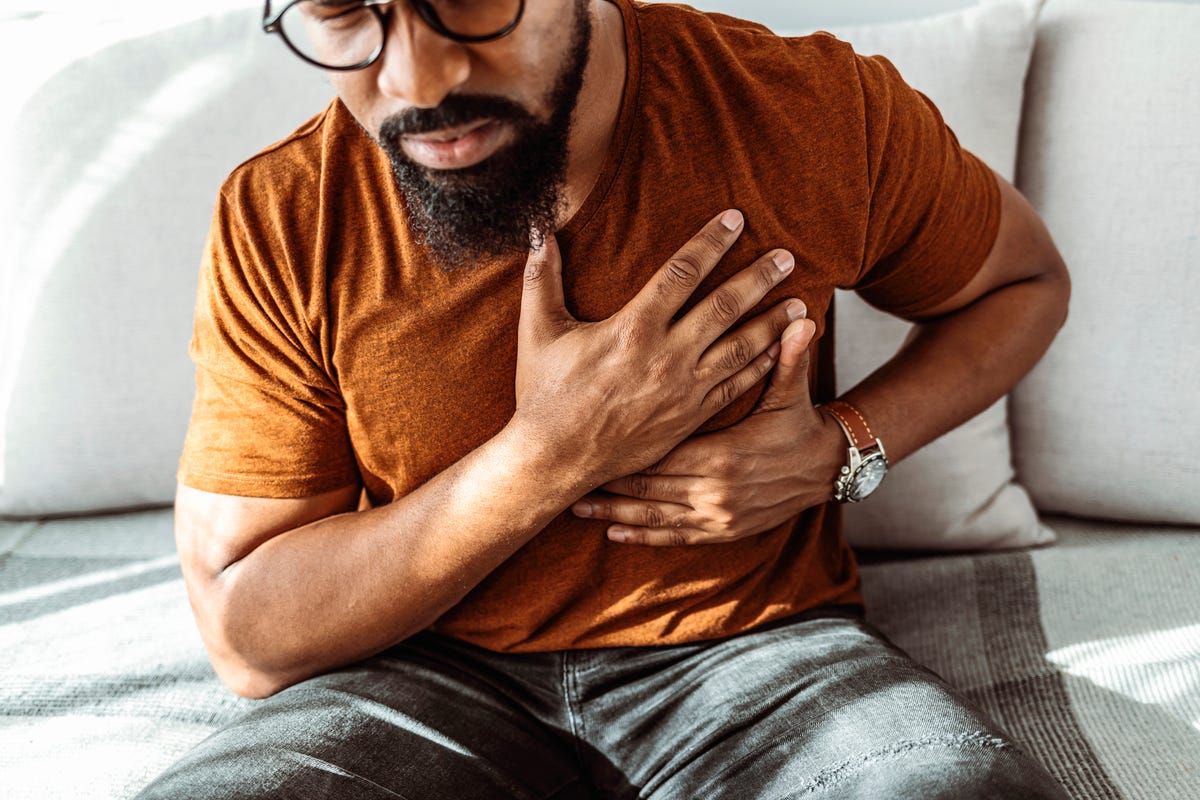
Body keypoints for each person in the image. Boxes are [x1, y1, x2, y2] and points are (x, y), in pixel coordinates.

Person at [139, 0, 1073, 797]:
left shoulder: (810, 110)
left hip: (758, 653)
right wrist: (553, 452)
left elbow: (1022, 284)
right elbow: (247, 635)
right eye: (345, 8)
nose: (416, 80)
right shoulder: (287, 211)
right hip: (411, 668)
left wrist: (843, 448)